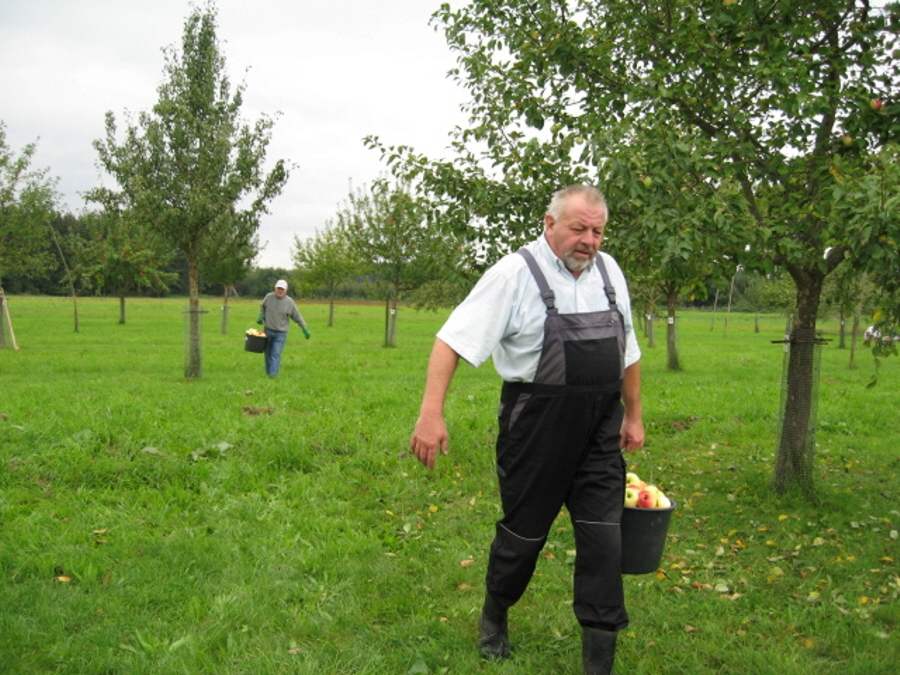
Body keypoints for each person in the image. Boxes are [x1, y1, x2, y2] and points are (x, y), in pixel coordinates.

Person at [409, 185, 644, 675]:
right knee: (523, 538)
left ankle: (598, 662)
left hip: (599, 431)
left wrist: (634, 413)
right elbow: (450, 341)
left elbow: (628, 349)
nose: (590, 241)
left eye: (598, 231)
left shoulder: (610, 272)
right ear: (549, 223)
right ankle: (495, 614)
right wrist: (431, 414)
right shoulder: (513, 274)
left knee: (605, 543)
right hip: (536, 430)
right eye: (579, 229)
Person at [257, 279, 310, 377]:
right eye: (278, 288)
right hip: (268, 330)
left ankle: (272, 376)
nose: (280, 291)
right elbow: (262, 306)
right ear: (275, 288)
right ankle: (269, 373)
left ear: (286, 290)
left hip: (281, 333)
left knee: (275, 354)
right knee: (267, 354)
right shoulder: (269, 297)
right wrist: (261, 316)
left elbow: (297, 316)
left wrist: (304, 329)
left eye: (282, 289)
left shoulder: (290, 302)